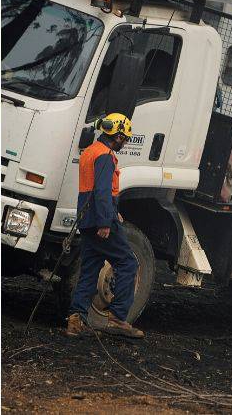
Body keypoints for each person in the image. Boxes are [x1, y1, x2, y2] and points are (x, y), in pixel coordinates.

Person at [66, 113, 145, 339]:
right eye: (125, 138)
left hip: (87, 219)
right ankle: (118, 319)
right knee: (128, 262)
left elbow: (95, 190)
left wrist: (112, 210)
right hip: (100, 220)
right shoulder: (105, 155)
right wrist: (105, 221)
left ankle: (75, 320)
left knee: (90, 269)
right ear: (118, 136)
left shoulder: (90, 151)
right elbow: (101, 190)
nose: (125, 142)